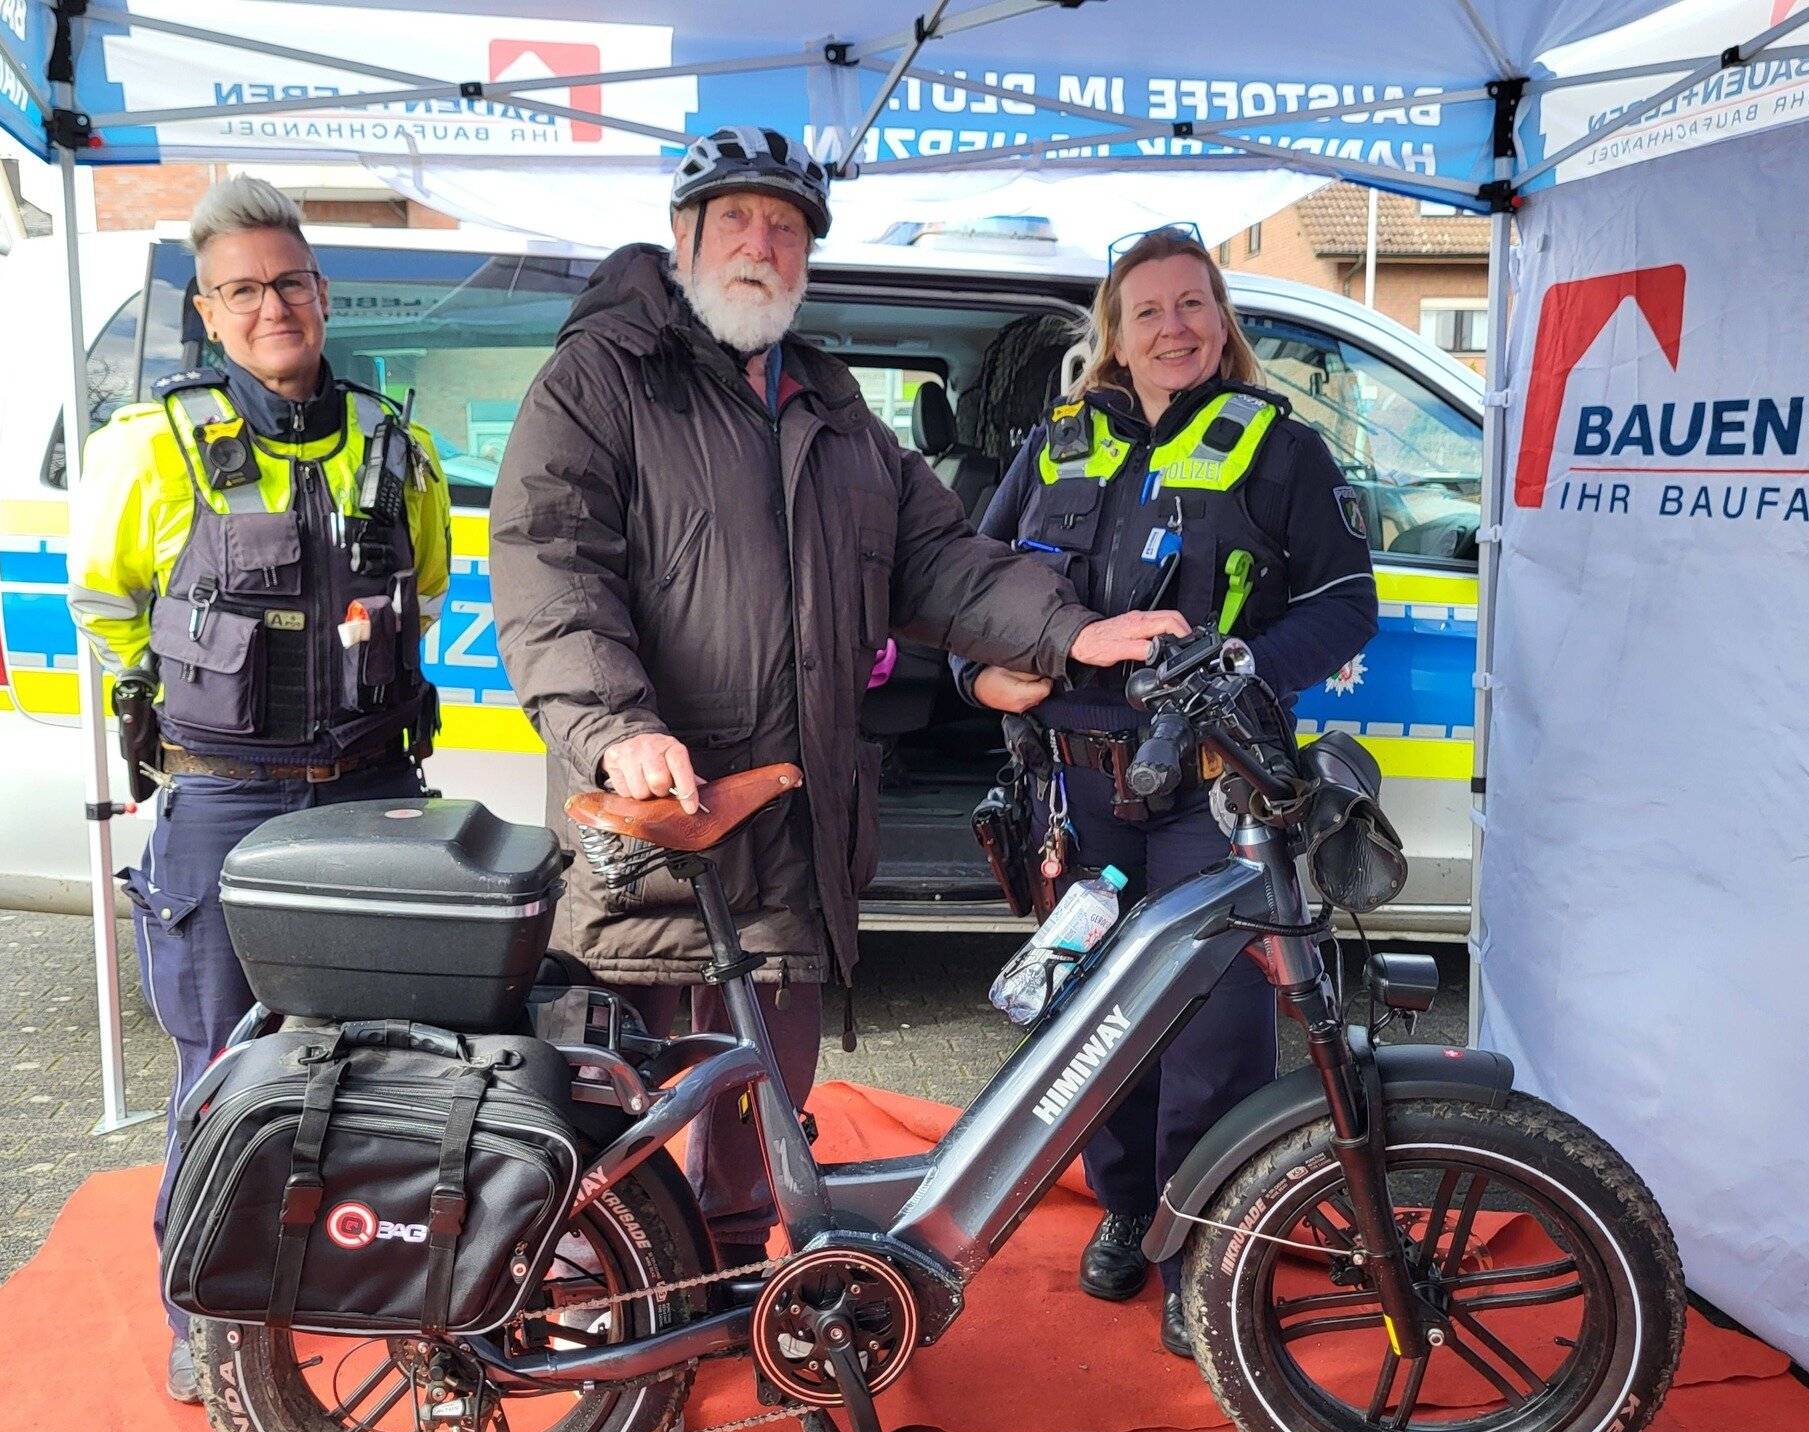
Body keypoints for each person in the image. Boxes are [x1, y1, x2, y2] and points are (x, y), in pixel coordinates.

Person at [488, 126, 1180, 1270]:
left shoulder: (829, 404)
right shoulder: (603, 379)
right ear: (683, 239)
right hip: (664, 832)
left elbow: (942, 564)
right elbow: (549, 573)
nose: (762, 245)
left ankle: (710, 1305)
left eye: (786, 227)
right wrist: (617, 729)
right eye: (737, 222)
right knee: (623, 1116)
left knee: (758, 1118)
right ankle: (595, 1321)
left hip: (796, 835)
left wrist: (1074, 630)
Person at [954, 226, 1378, 1357]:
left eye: (1192, 305)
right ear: (1113, 332)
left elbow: (1342, 606)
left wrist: (1239, 675)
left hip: (1213, 789)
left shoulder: (1280, 450)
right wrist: (975, 669)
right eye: (1147, 311)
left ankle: (1204, 1244)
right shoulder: (1055, 444)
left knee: (1212, 1026)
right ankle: (1128, 1208)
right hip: (1076, 791)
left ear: (1221, 320)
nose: (1173, 328)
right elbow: (967, 586)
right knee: (1091, 1015)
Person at [67, 175, 450, 1403]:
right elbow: (107, 601)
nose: (272, 305)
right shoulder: (150, 446)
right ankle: (203, 1309)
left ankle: (347, 1280)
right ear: (212, 314)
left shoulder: (398, 444)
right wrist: (185, 698)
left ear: (323, 295)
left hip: (371, 794)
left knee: (378, 1060)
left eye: (289, 281)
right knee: (217, 1065)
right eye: (243, 290)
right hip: (223, 800)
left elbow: (424, 595)